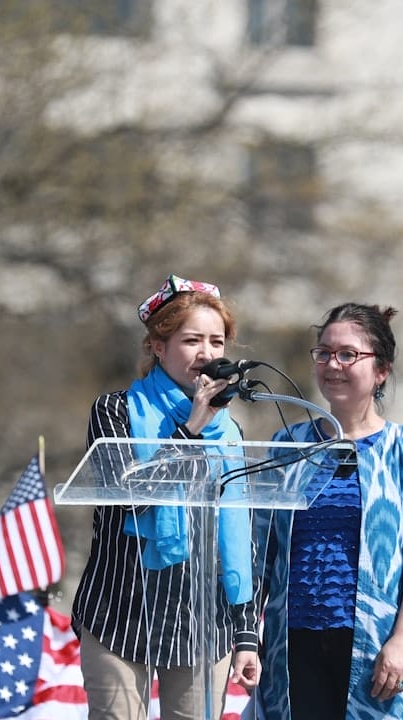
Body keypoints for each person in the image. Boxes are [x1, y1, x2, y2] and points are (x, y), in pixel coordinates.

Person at [71, 274, 260, 720]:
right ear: (158, 346)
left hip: (201, 621)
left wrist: (247, 632)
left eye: (217, 342)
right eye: (192, 340)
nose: (207, 354)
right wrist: (190, 430)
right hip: (120, 610)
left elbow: (241, 529)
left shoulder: (229, 430)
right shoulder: (114, 410)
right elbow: (129, 499)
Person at [251, 302, 403, 720]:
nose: (333, 364)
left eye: (347, 354)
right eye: (323, 353)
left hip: (376, 648)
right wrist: (248, 640)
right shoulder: (286, 446)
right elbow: (259, 555)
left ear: (381, 370)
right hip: (293, 648)